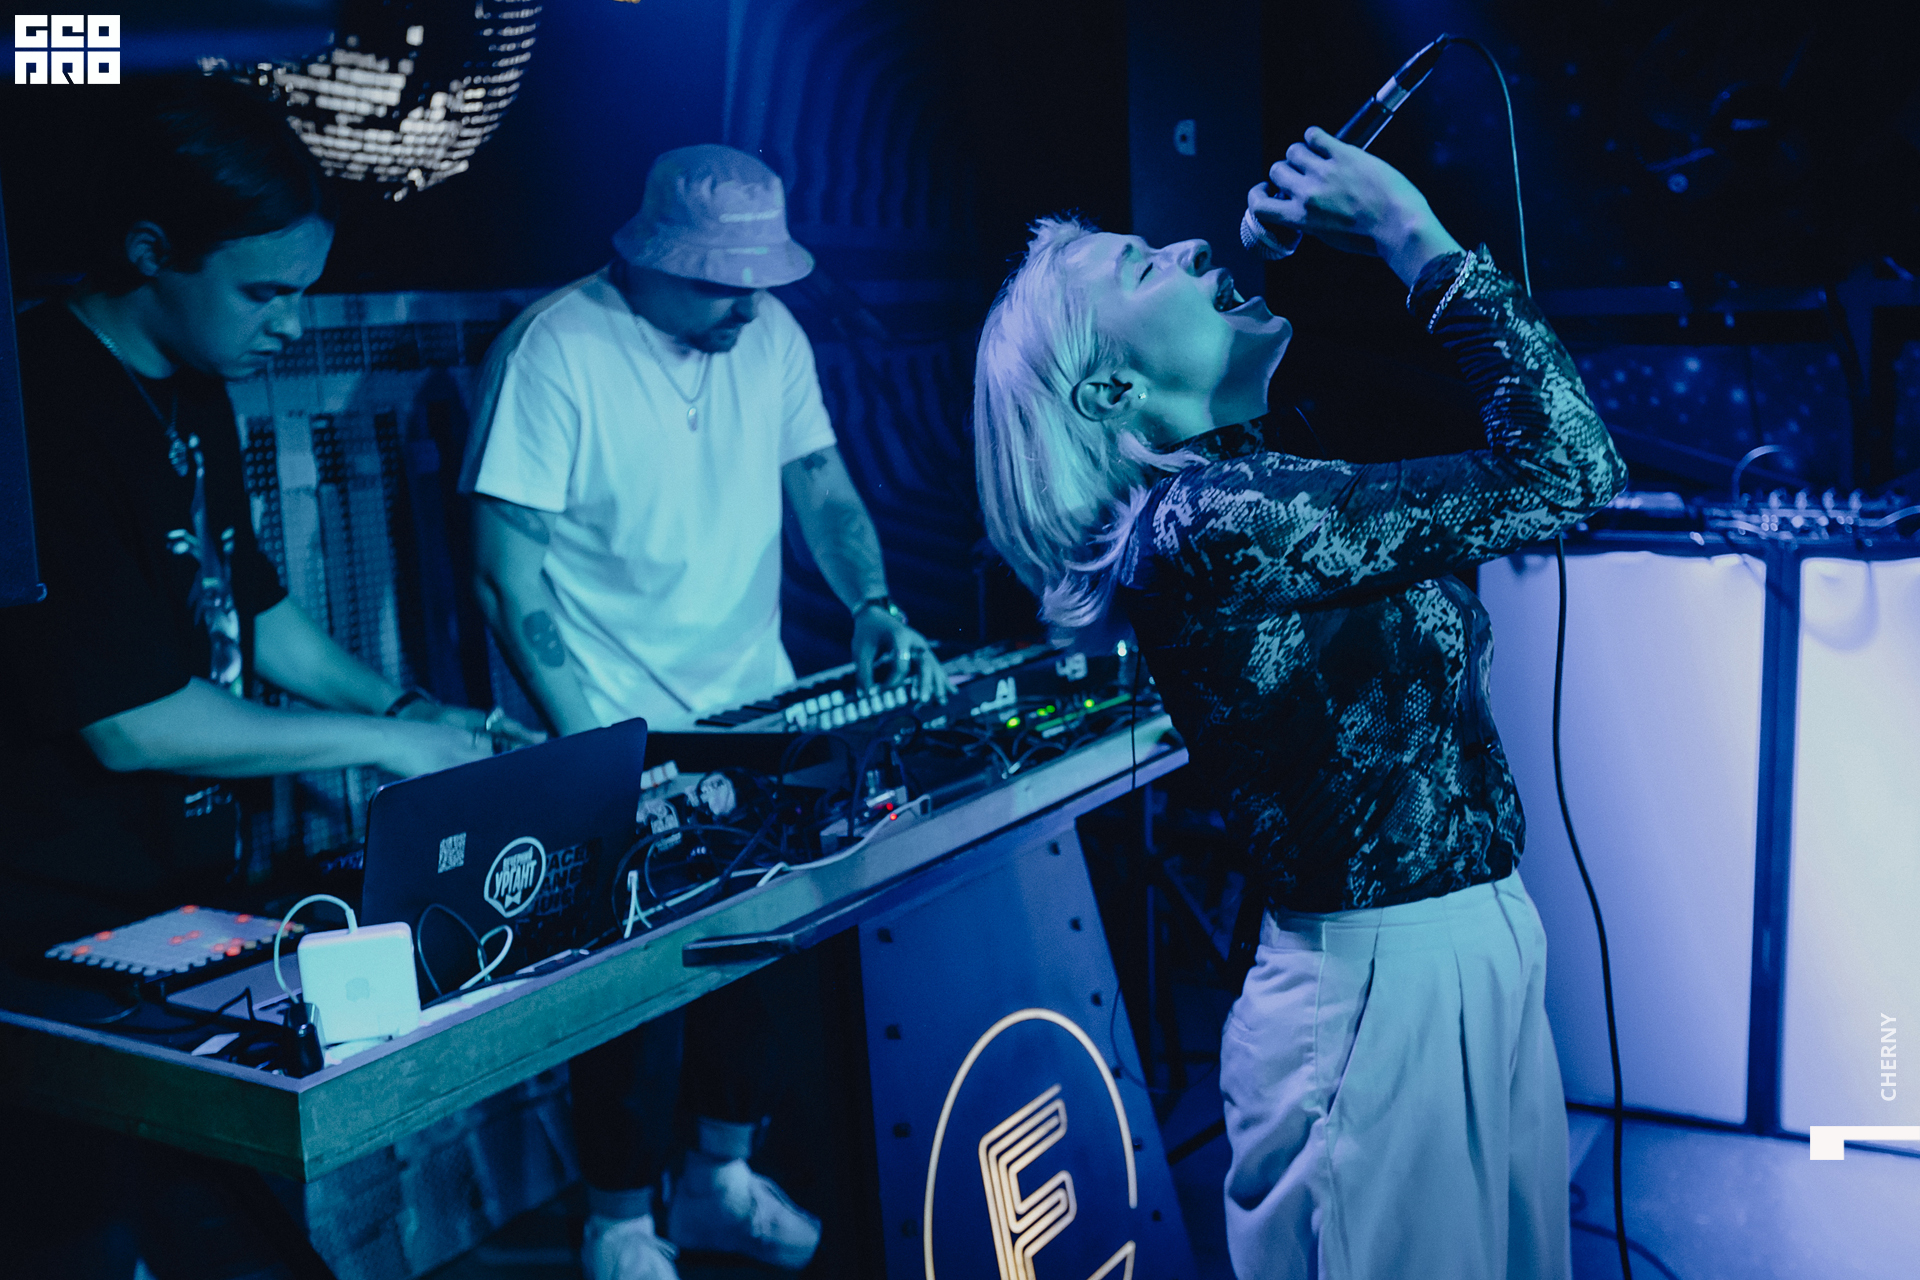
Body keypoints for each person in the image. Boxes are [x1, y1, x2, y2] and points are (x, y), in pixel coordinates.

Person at [972, 126, 1627, 1279]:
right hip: (1378, 991)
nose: (1186, 246)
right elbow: (1568, 468)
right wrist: (1407, 232)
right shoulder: (1207, 524)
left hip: (1465, 951)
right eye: (1142, 265)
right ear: (1113, 389)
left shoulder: (1251, 484)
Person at [0, 76, 536, 1279]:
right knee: (81, 1236)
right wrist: (381, 744)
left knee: (227, 1223)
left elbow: (259, 611)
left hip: (176, 889)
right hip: (45, 917)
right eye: (264, 292)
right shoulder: (37, 404)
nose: (292, 324)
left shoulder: (193, 382)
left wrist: (409, 708)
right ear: (151, 251)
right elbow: (131, 721)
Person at [461, 144, 948, 1279]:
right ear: (651, 257)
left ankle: (720, 1184)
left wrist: (873, 601)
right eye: (721, 283)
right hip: (610, 716)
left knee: (755, 961)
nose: (748, 305)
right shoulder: (558, 348)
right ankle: (619, 1230)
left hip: (752, 702)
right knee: (632, 990)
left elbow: (821, 482)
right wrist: (596, 751)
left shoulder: (769, 336)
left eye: (761, 281)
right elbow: (502, 570)